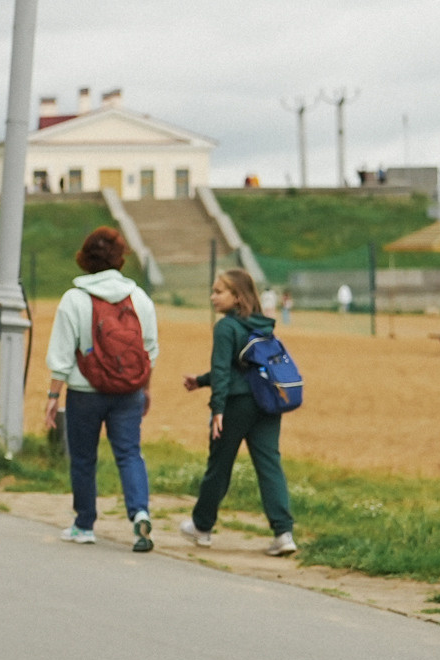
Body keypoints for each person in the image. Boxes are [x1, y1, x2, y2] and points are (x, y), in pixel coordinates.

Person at [41, 226, 160, 551]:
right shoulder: (139, 298)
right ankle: (139, 514)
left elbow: (62, 356)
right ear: (120, 259)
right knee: (129, 453)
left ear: (85, 259)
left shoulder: (74, 298)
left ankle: (84, 524)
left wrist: (53, 396)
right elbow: (149, 350)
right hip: (128, 393)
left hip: (85, 392)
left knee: (83, 458)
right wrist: (143, 388)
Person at [180, 267, 297, 556]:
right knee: (269, 464)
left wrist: (217, 408)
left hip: (236, 404)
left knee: (220, 465)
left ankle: (202, 527)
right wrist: (201, 381)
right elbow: (242, 365)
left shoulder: (225, 327)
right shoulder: (262, 324)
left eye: (219, 292)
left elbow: (223, 370)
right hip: (268, 402)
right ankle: (283, 533)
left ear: (237, 296)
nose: (212, 297)